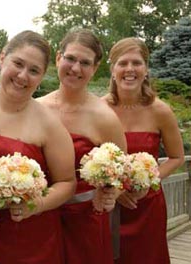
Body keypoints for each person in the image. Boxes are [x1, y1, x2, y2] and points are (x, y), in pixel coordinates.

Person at [37, 28, 127, 264]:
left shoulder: (104, 118)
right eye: (70, 59)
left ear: (95, 68)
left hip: (85, 221)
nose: (76, 68)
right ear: (58, 58)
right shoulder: (35, 108)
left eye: (85, 63)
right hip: (38, 218)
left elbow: (122, 173)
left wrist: (111, 195)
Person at [0, 30, 75, 264]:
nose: (22, 76)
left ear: (41, 77)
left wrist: (36, 205)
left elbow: (67, 183)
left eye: (34, 70)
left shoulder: (50, 125)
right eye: (18, 63)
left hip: (28, 242)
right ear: (2, 58)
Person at [102, 37, 185, 264]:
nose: (130, 69)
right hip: (108, 205)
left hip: (146, 205)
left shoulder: (160, 111)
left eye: (137, 63)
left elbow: (177, 157)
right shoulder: (98, 109)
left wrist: (146, 181)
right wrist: (116, 190)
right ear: (113, 70)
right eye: (123, 63)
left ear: (146, 69)